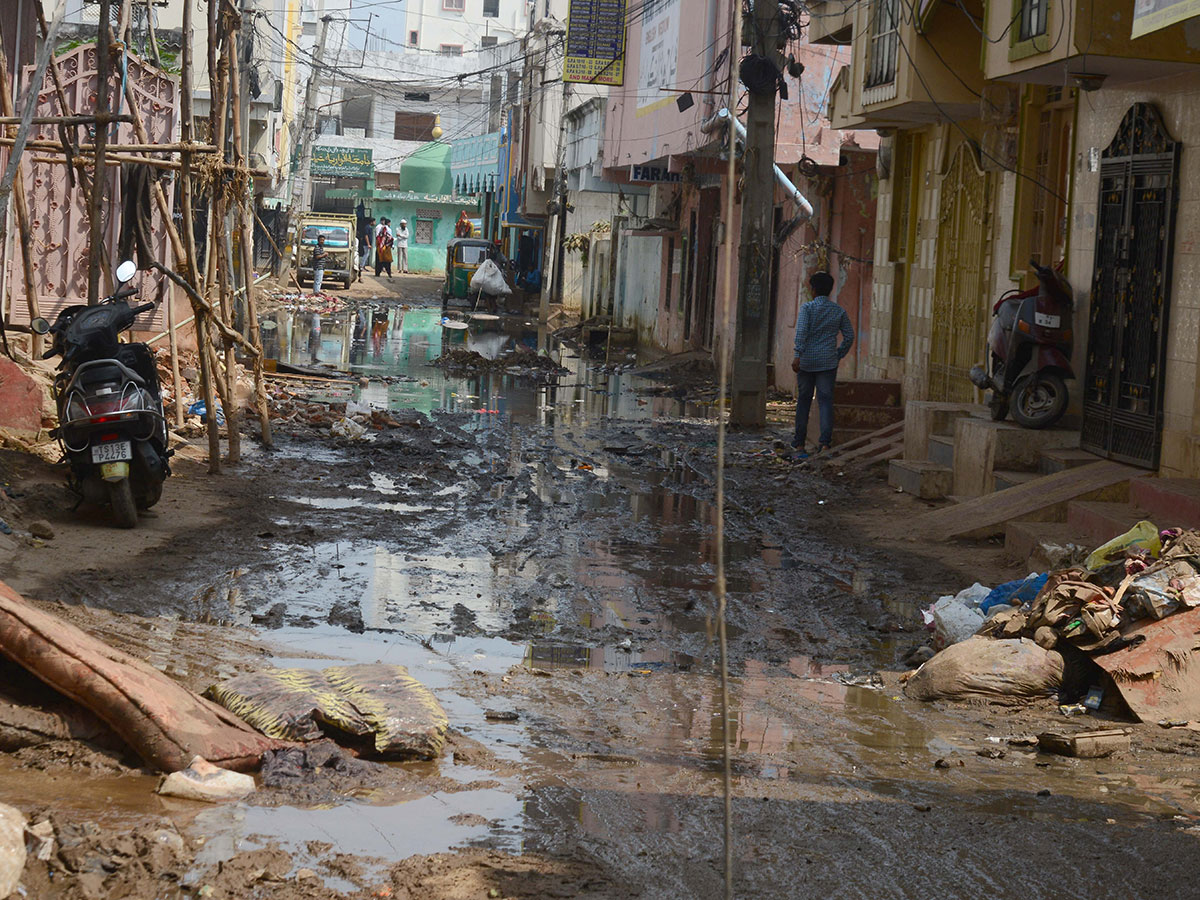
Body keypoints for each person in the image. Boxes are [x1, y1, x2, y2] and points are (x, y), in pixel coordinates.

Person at [792, 270, 854, 459]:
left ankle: (800, 444)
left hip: (807, 362)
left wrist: (797, 355)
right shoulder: (838, 311)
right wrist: (838, 355)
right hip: (828, 362)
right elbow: (849, 336)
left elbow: (801, 333)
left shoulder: (807, 309)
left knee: (804, 401)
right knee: (825, 401)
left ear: (813, 289)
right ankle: (825, 444)